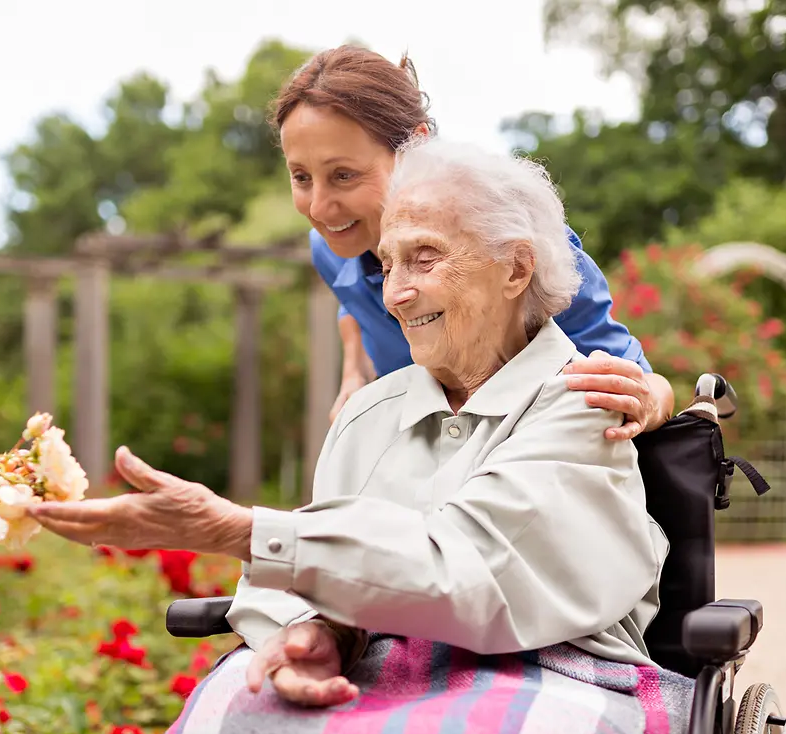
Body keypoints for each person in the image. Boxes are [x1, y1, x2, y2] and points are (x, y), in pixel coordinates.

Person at [28, 137, 694, 734]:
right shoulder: (370, 412)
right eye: (388, 264)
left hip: (554, 665)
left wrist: (239, 530)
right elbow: (321, 563)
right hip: (380, 665)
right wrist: (308, 631)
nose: (399, 291)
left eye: (426, 259)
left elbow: (466, 570)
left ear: (515, 268)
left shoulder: (582, 399)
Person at [271, 44, 674, 440]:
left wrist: (647, 404)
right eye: (302, 177)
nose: (320, 208)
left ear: (415, 144)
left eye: (344, 175)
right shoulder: (331, 249)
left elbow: (645, 383)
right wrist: (355, 372)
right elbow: (353, 306)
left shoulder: (515, 247)